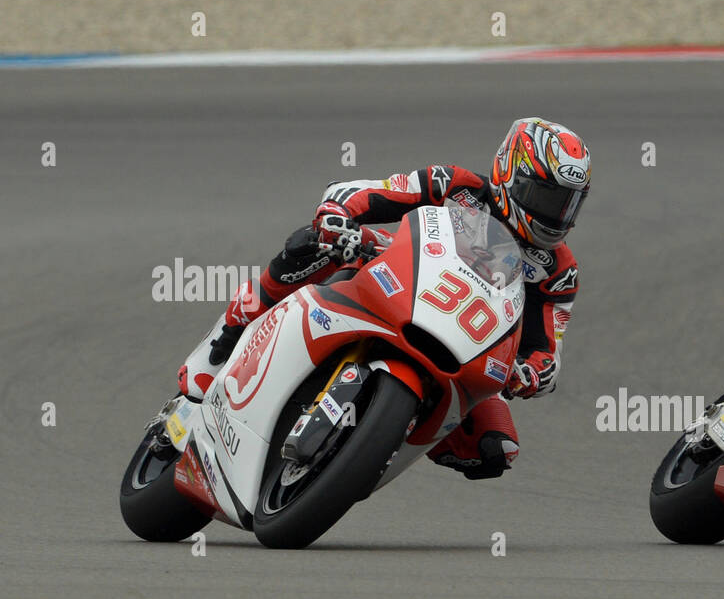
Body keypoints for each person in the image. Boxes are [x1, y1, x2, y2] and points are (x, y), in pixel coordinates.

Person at [179, 117, 591, 480]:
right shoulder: (456, 185)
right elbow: (374, 190)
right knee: (312, 245)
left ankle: (381, 437)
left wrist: (533, 374)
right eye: (546, 197)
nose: (556, 214)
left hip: (466, 342)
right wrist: (339, 217)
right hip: (397, 277)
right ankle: (224, 342)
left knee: (495, 449)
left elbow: (548, 351)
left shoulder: (559, 271)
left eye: (568, 204)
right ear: (509, 172)